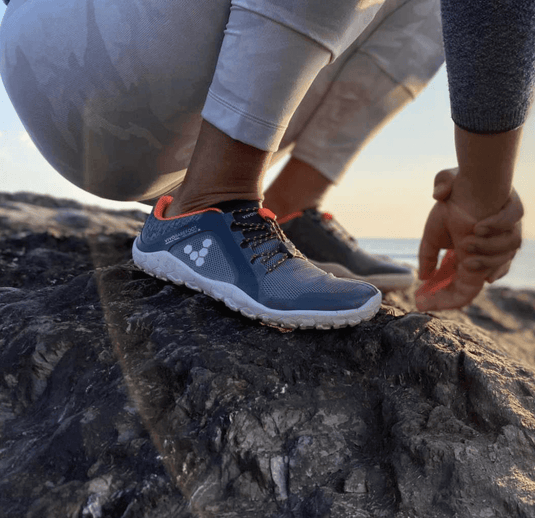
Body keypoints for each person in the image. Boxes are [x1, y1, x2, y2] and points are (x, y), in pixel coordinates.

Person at [0, 0, 531, 329]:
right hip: (76, 52)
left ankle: (289, 211)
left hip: (167, 90)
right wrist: (485, 197)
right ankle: (211, 200)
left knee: (424, 4)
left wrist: (481, 195)